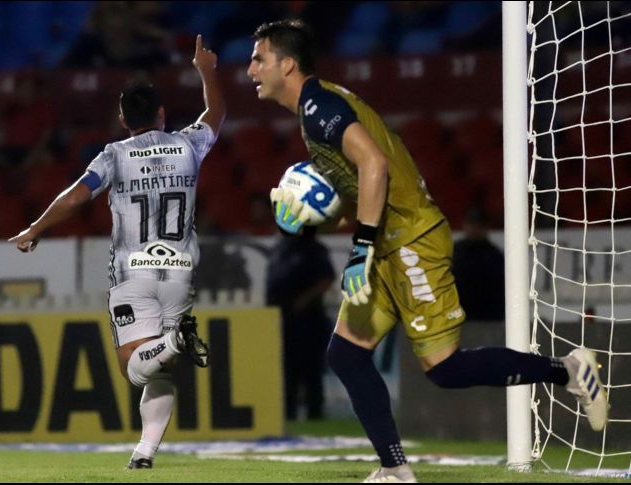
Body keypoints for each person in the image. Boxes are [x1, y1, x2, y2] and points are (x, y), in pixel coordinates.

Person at [247, 19, 608, 483]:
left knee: (445, 368)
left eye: (259, 59)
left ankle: (568, 370)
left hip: (410, 242)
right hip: (388, 244)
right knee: (346, 356)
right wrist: (309, 219)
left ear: (287, 65)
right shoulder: (315, 110)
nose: (251, 69)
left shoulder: (320, 108)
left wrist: (360, 248)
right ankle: (395, 469)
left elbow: (375, 165)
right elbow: (363, 189)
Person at [9, 34, 225, 470]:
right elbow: (215, 114)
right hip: (179, 270)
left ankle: (174, 342)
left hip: (133, 272)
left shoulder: (114, 155)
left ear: (123, 119)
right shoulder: (188, 144)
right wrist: (206, 72)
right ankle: (144, 453)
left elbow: (75, 196)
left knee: (134, 367)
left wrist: (36, 228)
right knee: (160, 366)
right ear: (162, 114)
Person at [266, 231, 334, 420]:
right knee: (287, 370)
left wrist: (304, 300)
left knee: (311, 369)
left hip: (308, 319)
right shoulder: (281, 249)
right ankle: (288, 413)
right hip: (282, 318)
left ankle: (315, 413)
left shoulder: (313, 249)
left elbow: (326, 278)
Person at [453, 207, 505, 321]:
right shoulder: (455, 251)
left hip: (487, 316)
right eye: (472, 225)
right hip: (458, 315)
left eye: (479, 226)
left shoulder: (494, 256)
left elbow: (499, 291)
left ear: (486, 228)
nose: (474, 229)